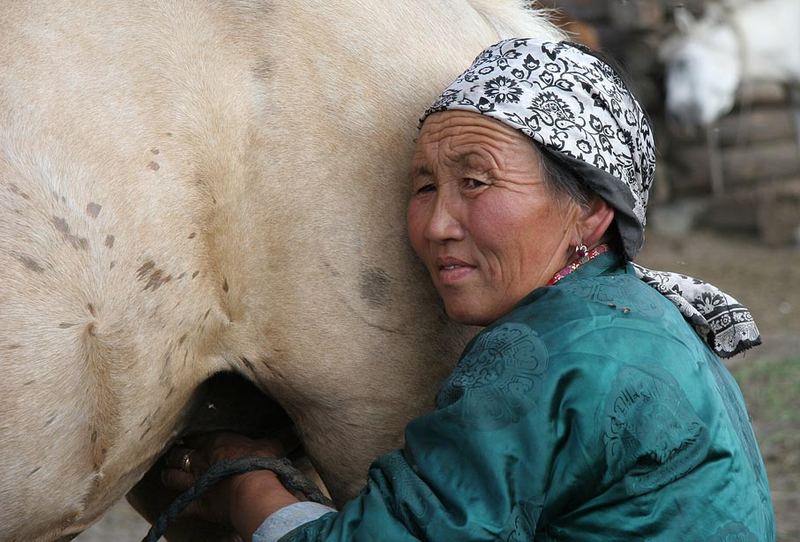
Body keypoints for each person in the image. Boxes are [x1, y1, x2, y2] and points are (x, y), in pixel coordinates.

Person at [161, 38, 776, 541]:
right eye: (424, 186)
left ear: (590, 211)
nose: (435, 226)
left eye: (477, 182)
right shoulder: (636, 318)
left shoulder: (548, 357)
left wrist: (240, 478)